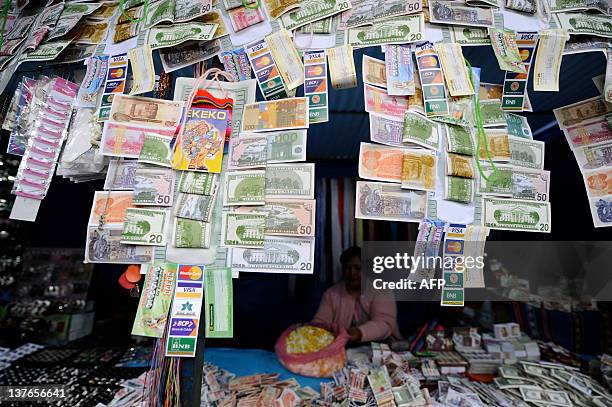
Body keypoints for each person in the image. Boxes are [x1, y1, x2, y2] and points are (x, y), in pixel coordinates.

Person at [312, 246, 401, 343]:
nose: (352, 272)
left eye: (357, 268)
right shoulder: (331, 294)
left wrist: (360, 333)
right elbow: (320, 325)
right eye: (348, 268)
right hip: (343, 347)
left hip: (384, 346)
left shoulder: (381, 289)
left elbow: (384, 323)